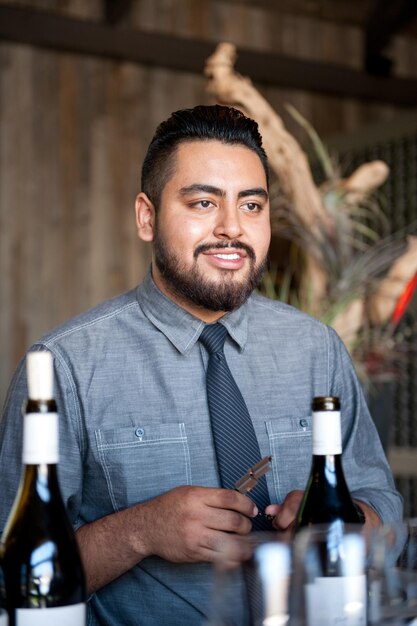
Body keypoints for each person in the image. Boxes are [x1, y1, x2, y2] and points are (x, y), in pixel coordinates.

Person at [0, 105, 402, 625]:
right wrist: (141, 530)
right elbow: (12, 576)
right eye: (203, 202)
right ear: (147, 216)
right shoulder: (64, 367)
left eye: (252, 206)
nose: (232, 228)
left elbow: (380, 499)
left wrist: (349, 520)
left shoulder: (316, 349)